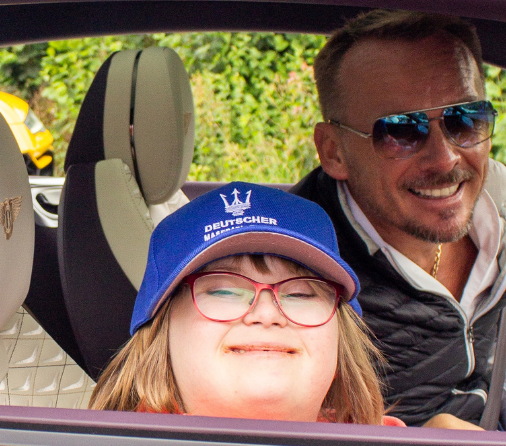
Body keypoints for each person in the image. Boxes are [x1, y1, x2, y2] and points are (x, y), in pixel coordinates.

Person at [293, 9, 506, 432]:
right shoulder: (294, 271)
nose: (446, 158)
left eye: (465, 119)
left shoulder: (492, 207)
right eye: (401, 132)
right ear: (334, 151)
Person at [90, 182, 399, 426]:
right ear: (159, 330)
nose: (266, 313)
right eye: (224, 292)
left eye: (300, 294)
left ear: (341, 338)